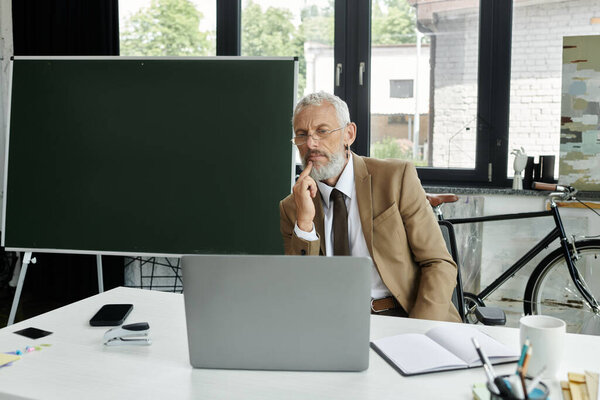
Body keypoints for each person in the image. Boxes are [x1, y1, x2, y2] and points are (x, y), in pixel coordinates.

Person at [279, 91, 461, 322]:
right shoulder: (292, 207)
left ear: (349, 134)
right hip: (333, 322)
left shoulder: (396, 178)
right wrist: (304, 223)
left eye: (322, 131)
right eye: (301, 135)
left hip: (404, 314)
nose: (311, 143)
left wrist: (417, 329)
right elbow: (298, 287)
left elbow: (438, 263)